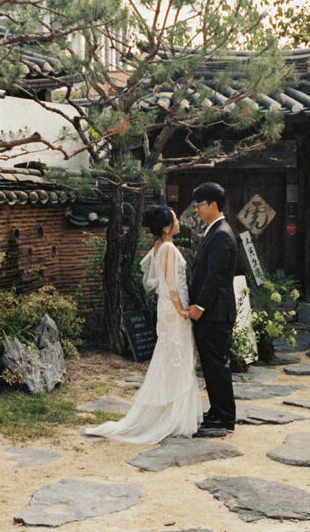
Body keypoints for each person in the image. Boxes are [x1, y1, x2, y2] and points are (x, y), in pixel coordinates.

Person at [84, 205, 201, 443]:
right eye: (176, 219)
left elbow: (156, 281)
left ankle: (171, 411)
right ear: (167, 227)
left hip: (167, 308)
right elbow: (170, 283)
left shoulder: (159, 246)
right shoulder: (167, 247)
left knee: (171, 356)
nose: (179, 222)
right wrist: (181, 309)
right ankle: (173, 415)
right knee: (176, 357)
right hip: (174, 309)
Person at [186, 182, 238, 435]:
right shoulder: (215, 231)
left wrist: (200, 306)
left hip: (215, 312)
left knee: (216, 364)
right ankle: (218, 410)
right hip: (213, 311)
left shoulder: (221, 234)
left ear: (213, 204)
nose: (197, 209)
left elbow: (215, 276)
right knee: (212, 364)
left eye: (200, 204)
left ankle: (225, 415)